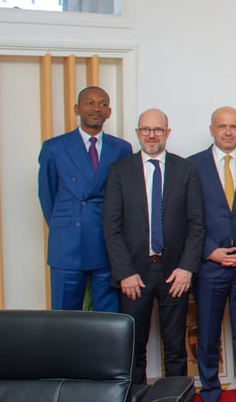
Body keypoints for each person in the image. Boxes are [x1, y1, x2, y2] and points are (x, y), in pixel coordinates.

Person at [102, 108, 205, 384]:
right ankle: (134, 395)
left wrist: (186, 269)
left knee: (175, 348)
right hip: (134, 273)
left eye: (158, 130)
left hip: (175, 273)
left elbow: (197, 224)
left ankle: (176, 396)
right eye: (145, 130)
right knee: (134, 348)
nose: (151, 135)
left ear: (167, 133)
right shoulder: (120, 171)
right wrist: (124, 272)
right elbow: (111, 227)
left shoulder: (186, 170)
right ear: (137, 133)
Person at [188, 107, 236, 402]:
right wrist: (210, 251)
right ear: (212, 129)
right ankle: (209, 390)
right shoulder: (193, 166)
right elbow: (190, 215)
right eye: (222, 126)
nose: (228, 131)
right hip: (210, 265)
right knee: (207, 334)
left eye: (233, 126)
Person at [38, 86, 132, 312]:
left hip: (106, 243)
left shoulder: (121, 148)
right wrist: (67, 225)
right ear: (77, 108)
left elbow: (127, 197)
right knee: (64, 319)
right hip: (67, 244)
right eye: (89, 103)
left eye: (102, 104)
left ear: (109, 112)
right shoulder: (54, 147)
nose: (96, 108)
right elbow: (47, 194)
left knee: (108, 319)